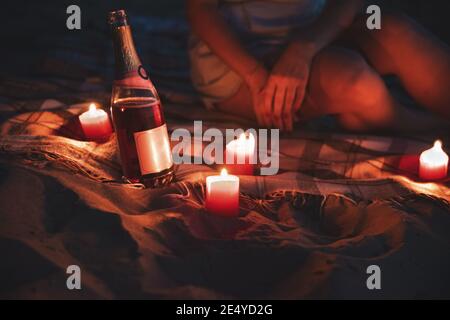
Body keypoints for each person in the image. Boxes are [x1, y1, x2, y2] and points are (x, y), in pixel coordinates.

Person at [187, 0, 450, 133]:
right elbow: (199, 10)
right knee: (352, 79)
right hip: (239, 57)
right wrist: (257, 78)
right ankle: (426, 125)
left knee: (393, 27)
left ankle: (361, 113)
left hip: (314, 30)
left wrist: (304, 48)